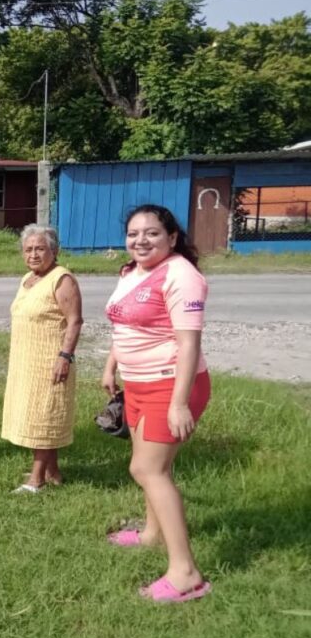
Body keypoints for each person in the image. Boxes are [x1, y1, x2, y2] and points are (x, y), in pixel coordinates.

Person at [103, 204, 213, 603]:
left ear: (172, 237)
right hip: (137, 384)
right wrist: (111, 365)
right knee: (155, 466)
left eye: (151, 233)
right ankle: (151, 534)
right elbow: (123, 322)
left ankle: (186, 574)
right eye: (133, 233)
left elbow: (189, 344)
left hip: (170, 385)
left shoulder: (183, 276)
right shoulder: (131, 272)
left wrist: (179, 403)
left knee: (147, 469)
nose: (141, 240)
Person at [1, 225, 83, 493]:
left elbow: (74, 321)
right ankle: (53, 471)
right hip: (27, 360)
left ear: (54, 250)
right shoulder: (28, 278)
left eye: (40, 248)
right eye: (28, 249)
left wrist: (64, 356)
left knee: (44, 416)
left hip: (51, 359)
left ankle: (35, 481)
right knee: (37, 413)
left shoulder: (62, 279)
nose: (33, 254)